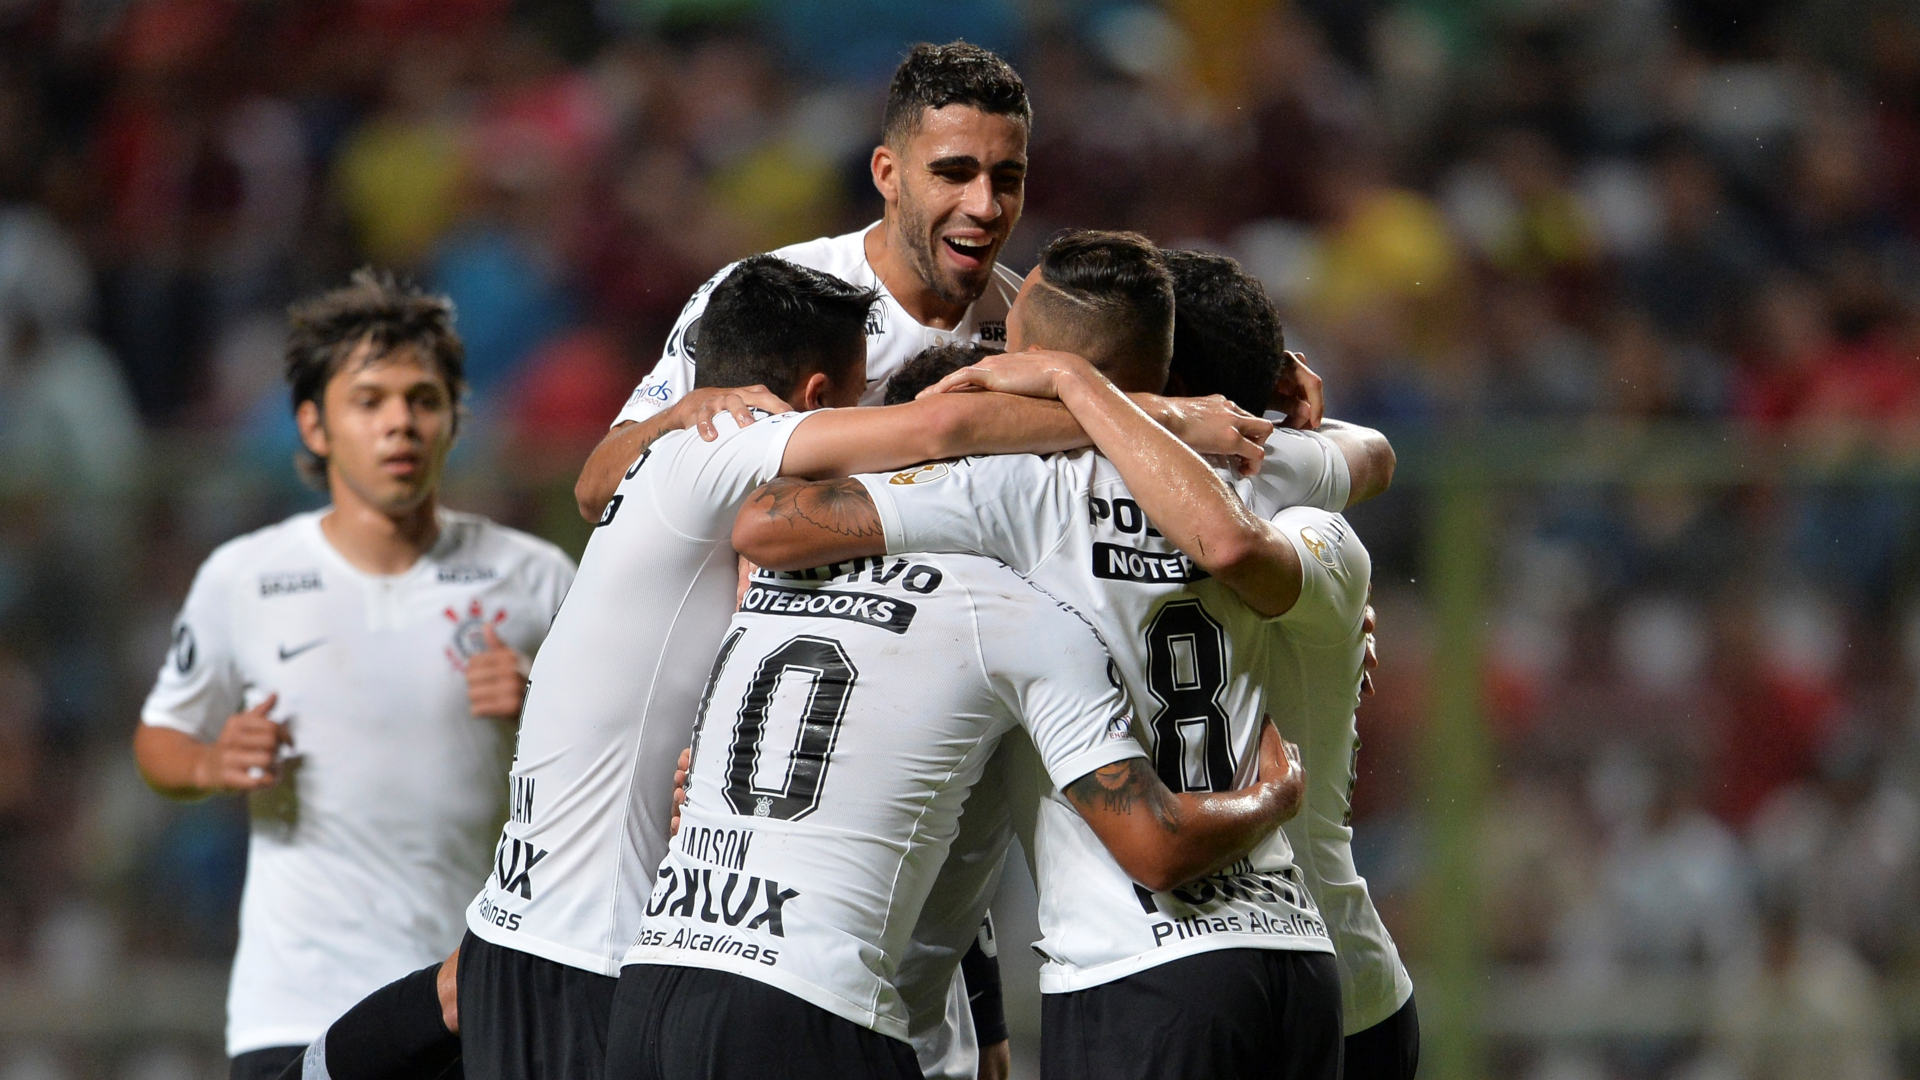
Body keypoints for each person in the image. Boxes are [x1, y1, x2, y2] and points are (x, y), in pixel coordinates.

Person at [733, 230, 1392, 1079]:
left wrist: (1008, 410)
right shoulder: (1254, 468)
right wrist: (1250, 392)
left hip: (1138, 967)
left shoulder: (1015, 486)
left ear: (1036, 366)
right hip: (1295, 961)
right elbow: (1372, 454)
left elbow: (772, 522)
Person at [602, 542, 1307, 1080]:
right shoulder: (1008, 608)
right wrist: (1277, 792)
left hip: (656, 977)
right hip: (812, 1000)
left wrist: (984, 1010)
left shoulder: (774, 569)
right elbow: (1154, 847)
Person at [132, 270, 576, 1080]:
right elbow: (161, 737)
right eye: (369, 400)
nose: (399, 422)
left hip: (466, 992)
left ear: (453, 419)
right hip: (295, 1001)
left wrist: (541, 711)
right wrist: (208, 762)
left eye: (423, 399)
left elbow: (612, 768)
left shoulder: (534, 576)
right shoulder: (246, 576)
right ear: (314, 425)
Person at [571, 40, 1034, 522]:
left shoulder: (1030, 322)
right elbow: (595, 489)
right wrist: (677, 416)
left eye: (1007, 178)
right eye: (953, 173)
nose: (985, 205)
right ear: (887, 175)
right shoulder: (771, 295)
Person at [1162, 248, 1417, 1079]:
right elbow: (1372, 454)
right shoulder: (1288, 480)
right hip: (1350, 978)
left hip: (1197, 970)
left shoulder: (1060, 490)